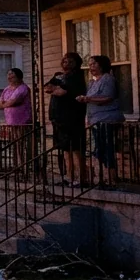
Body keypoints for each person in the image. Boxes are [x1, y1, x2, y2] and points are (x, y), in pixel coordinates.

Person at [78, 55, 125, 188]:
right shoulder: (92, 82)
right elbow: (89, 100)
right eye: (90, 64)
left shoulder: (108, 79)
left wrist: (87, 99)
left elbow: (107, 97)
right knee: (99, 149)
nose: (91, 67)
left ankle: (111, 178)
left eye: (94, 64)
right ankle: (102, 177)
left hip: (107, 120)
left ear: (102, 65)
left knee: (106, 148)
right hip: (95, 120)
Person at [44, 53, 87, 186]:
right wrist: (56, 88)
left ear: (76, 63)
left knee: (76, 148)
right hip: (58, 118)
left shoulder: (77, 77)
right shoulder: (58, 75)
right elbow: (46, 88)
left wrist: (57, 89)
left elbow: (62, 92)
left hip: (72, 117)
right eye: (65, 61)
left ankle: (81, 178)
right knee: (65, 149)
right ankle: (69, 177)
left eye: (70, 61)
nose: (66, 63)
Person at [0, 67, 32, 169]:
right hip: (10, 121)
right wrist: (7, 103)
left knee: (22, 144)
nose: (9, 77)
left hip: (22, 121)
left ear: (19, 77)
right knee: (15, 144)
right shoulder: (6, 89)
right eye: (8, 75)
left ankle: (24, 167)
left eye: (12, 75)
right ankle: (16, 166)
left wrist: (6, 103)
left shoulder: (23, 88)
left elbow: (15, 101)